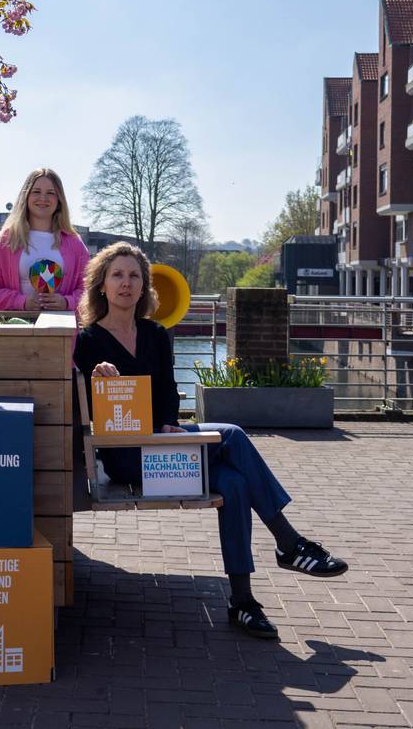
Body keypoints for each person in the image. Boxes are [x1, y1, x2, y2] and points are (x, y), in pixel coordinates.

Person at [73, 241, 348, 640]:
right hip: (127, 458)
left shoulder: (155, 333)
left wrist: (169, 423)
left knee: (234, 484)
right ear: (101, 285)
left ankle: (243, 602)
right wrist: (99, 382)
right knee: (232, 435)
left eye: (134, 275)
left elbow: (168, 393)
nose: (126, 283)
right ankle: (289, 542)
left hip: (164, 445)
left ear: (144, 286)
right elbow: (91, 418)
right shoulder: (88, 342)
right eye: (117, 275)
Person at [0, 168, 90, 313]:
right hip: (18, 332)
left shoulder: (75, 244)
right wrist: (21, 302)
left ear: (59, 199)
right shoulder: (3, 243)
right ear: (26, 196)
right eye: (36, 192)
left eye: (51, 193)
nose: (43, 198)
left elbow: (91, 289)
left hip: (63, 332)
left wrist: (67, 302)